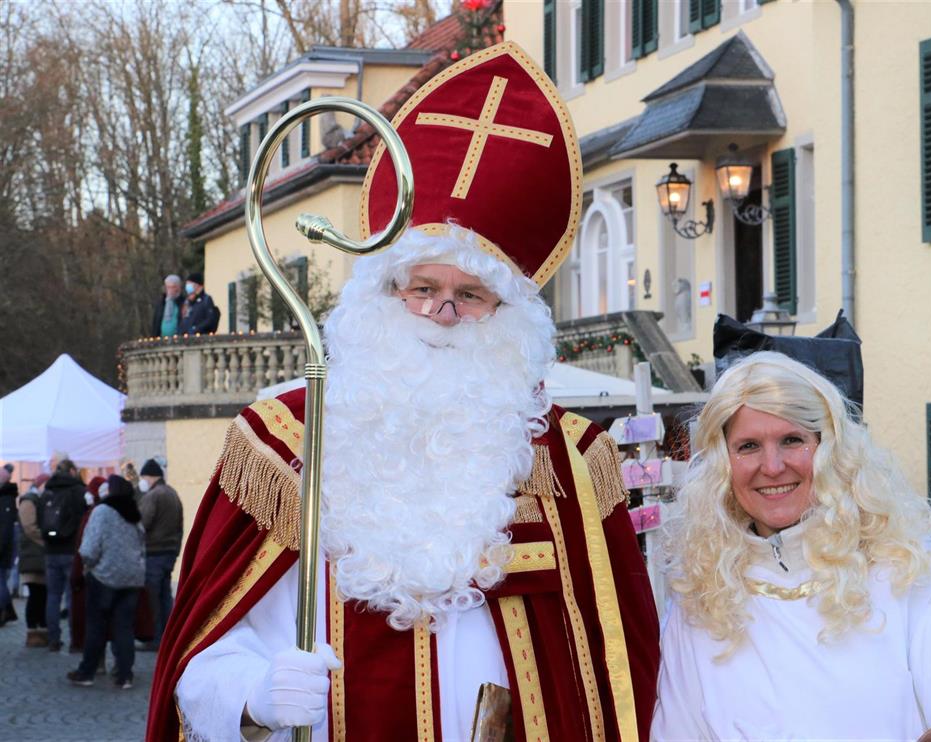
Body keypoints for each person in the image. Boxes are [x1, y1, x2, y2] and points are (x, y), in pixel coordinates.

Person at [148, 42, 659, 742]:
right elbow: (199, 658)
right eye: (422, 288)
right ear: (382, 295)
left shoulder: (572, 462)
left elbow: (617, 673)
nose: (442, 315)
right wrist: (254, 696)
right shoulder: (284, 444)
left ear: (510, 318)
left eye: (470, 295)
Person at [652, 352, 931, 740]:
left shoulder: (908, 573)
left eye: (792, 440)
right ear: (723, 463)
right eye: (748, 446)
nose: (772, 466)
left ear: (829, 448)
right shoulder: (700, 599)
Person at [67, 476, 146, 689]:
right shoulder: (134, 514)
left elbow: (89, 548)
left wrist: (88, 566)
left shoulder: (101, 512)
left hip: (104, 577)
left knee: (96, 626)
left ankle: (87, 672)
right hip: (132, 578)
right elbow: (141, 544)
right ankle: (125, 675)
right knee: (124, 628)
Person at [40, 458, 87, 652]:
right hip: (70, 550)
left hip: (51, 550)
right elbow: (82, 519)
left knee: (52, 595)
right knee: (72, 597)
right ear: (72, 471)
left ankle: (53, 639)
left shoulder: (48, 490)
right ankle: (75, 641)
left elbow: (39, 518)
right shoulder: (77, 491)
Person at [136, 458, 182, 650]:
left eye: (143, 476)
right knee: (164, 597)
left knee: (152, 598)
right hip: (170, 553)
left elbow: (143, 523)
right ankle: (167, 637)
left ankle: (154, 638)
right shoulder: (172, 493)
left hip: (154, 552)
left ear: (150, 476)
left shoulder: (153, 496)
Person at [67, 475, 105, 653]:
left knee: (93, 619)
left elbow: (86, 548)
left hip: (94, 574)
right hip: (109, 574)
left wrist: (79, 572)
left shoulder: (94, 514)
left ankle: (93, 660)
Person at [18, 472, 49, 646]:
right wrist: (46, 541)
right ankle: (33, 632)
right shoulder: (29, 500)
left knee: (42, 594)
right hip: (32, 556)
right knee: (36, 594)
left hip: (38, 555)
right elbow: (30, 528)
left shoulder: (38, 500)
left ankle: (42, 630)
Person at [0, 468, 18, 625]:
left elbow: (5, 528)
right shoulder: (7, 498)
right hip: (4, 547)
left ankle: (4, 611)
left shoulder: (6, 499)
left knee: (0, 581)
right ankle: (7, 612)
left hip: (2, 549)